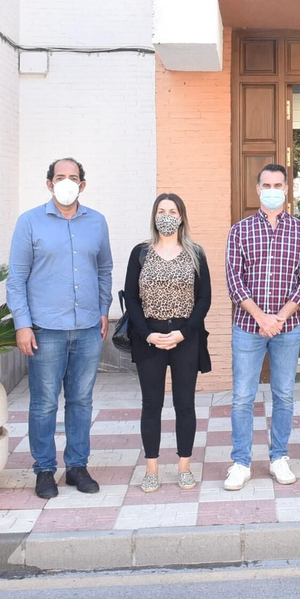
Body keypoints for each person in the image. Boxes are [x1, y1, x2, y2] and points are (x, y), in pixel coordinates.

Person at [7, 158, 113, 500]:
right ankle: (44, 469)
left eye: (73, 177)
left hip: (87, 328)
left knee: (81, 401)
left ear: (82, 185)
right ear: (49, 183)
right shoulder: (30, 222)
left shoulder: (96, 222)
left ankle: (77, 467)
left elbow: (104, 269)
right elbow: (16, 278)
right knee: (44, 404)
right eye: (60, 177)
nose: (67, 182)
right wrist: (23, 324)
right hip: (46, 330)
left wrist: (103, 309)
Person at [223, 163, 300, 491]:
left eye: (278, 185)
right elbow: (234, 280)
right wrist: (262, 317)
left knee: (284, 394)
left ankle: (279, 457)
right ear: (257, 189)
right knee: (242, 396)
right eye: (267, 185)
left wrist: (280, 317)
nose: (272, 190)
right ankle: (241, 462)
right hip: (248, 327)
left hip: (288, 329)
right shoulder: (240, 231)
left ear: (287, 189)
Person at [118, 193, 211, 493]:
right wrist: (146, 333)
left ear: (181, 217)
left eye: (172, 211)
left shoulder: (195, 253)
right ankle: (151, 469)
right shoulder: (140, 252)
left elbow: (204, 298)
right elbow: (131, 297)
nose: (167, 216)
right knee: (151, 404)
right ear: (154, 215)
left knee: (185, 404)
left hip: (186, 337)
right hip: (149, 337)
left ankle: (184, 466)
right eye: (161, 211)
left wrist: (185, 332)